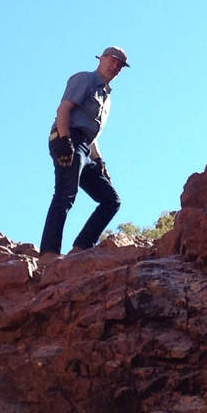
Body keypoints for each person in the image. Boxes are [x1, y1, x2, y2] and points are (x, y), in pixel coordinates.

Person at [39, 46, 129, 257]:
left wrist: (99, 162)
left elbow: (92, 135)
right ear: (102, 58)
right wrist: (64, 141)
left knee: (111, 200)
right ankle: (48, 254)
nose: (115, 66)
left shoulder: (107, 97)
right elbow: (63, 110)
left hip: (85, 148)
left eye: (120, 65)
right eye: (113, 60)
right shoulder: (85, 79)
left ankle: (80, 249)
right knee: (65, 193)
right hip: (69, 138)